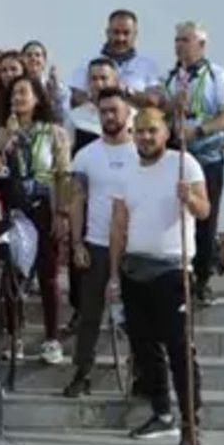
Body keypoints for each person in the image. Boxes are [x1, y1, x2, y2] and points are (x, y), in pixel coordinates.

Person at [109, 107, 209, 445]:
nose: (146, 137)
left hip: (172, 268)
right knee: (144, 347)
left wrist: (190, 197)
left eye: (152, 131)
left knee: (179, 347)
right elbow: (119, 224)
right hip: (135, 268)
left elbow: (204, 210)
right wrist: (113, 275)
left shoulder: (185, 165)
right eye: (140, 131)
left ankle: (190, 422)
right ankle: (161, 411)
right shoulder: (127, 173)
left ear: (165, 133)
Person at [153, 22, 224, 306]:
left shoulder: (217, 76)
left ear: (201, 45)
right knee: (174, 216)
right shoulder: (168, 78)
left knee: (205, 218)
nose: (180, 45)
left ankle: (202, 279)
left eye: (186, 40)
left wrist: (199, 130)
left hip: (206, 157)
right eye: (177, 40)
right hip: (174, 156)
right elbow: (157, 114)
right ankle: (179, 276)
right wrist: (167, 108)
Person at [0, 74, 72, 364]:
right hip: (14, 207)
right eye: (13, 93)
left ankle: (52, 339)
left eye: (24, 92)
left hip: (44, 205)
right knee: (12, 275)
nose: (17, 98)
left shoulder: (54, 133)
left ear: (37, 98)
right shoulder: (1, 133)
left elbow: (63, 175)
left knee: (48, 275)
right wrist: (5, 146)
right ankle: (14, 336)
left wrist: (62, 213)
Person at [63, 87, 137, 396]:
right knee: (89, 315)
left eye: (114, 111)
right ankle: (82, 372)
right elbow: (76, 201)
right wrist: (77, 243)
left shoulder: (141, 153)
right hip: (95, 244)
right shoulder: (86, 155)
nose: (108, 116)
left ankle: (141, 375)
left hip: (136, 247)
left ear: (127, 113)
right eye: (103, 111)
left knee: (137, 317)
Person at [66, 10, 166, 110]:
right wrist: (101, 101)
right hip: (95, 124)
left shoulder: (148, 66)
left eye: (126, 33)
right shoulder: (88, 62)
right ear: (107, 33)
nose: (120, 38)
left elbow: (155, 101)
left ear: (135, 34)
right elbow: (76, 98)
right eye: (116, 32)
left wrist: (125, 90)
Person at [21, 40, 66, 125]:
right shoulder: (18, 85)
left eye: (37, 55)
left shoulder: (54, 86)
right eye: (29, 55)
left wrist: (55, 90)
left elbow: (63, 113)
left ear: (44, 61)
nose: (33, 58)